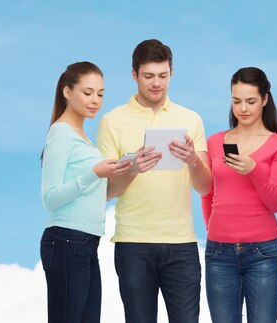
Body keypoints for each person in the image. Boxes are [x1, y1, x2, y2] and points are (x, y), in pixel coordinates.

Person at [96, 39, 211, 323]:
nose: (156, 83)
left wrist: (192, 161)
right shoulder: (112, 121)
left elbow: (205, 186)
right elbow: (106, 192)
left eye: (163, 75)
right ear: (134, 75)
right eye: (148, 76)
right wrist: (132, 169)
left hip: (182, 243)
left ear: (171, 73)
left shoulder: (191, 119)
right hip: (133, 243)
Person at [40, 61, 131, 323]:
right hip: (66, 240)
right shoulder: (61, 133)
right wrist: (95, 173)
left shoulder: (83, 137)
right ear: (67, 92)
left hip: (87, 243)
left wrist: (127, 170)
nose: (95, 100)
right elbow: (50, 198)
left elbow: (98, 193)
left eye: (100, 94)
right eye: (87, 92)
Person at [201, 67, 277, 323]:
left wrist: (254, 170)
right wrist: (214, 231)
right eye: (236, 101)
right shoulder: (216, 141)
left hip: (263, 253)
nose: (243, 108)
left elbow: (276, 202)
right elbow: (208, 192)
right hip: (219, 253)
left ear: (264, 100)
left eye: (250, 101)